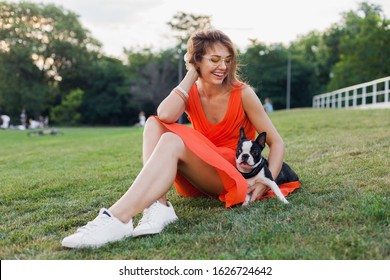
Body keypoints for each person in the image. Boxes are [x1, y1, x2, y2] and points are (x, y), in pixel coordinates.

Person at [61, 29, 300, 249]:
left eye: (227, 60)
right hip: (202, 169)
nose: (223, 67)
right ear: (196, 61)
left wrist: (262, 182)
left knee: (171, 140)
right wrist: (191, 76)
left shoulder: (243, 93)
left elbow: (276, 143)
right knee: (155, 123)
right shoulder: (191, 91)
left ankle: (118, 218)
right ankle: (159, 206)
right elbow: (164, 114)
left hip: (233, 174)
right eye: (214, 60)